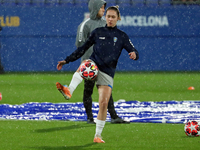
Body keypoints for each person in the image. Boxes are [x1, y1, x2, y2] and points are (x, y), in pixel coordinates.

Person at [56, 5, 139, 143]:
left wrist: (134, 54)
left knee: (103, 103)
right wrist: (67, 60)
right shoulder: (97, 32)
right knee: (86, 64)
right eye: (108, 16)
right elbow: (82, 49)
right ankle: (69, 90)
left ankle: (98, 136)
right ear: (105, 17)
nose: (110, 19)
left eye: (113, 17)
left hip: (107, 72)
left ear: (118, 18)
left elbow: (134, 50)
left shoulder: (122, 36)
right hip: (94, 66)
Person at [75, 0, 129, 124]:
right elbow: (79, 44)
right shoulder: (85, 25)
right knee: (88, 90)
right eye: (101, 8)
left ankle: (113, 116)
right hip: (89, 64)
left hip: (103, 63)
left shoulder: (105, 23)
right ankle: (90, 118)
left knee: (106, 90)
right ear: (95, 8)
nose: (103, 10)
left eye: (104, 8)